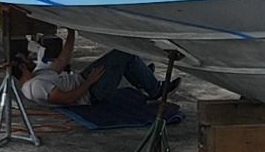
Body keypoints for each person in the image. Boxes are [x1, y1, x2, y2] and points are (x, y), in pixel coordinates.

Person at [16, 27, 177, 107]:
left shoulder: (37, 75)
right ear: (23, 68)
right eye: (28, 60)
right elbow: (67, 99)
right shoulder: (35, 87)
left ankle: (142, 76)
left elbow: (63, 60)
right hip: (92, 93)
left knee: (123, 57)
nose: (32, 60)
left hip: (83, 80)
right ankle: (155, 89)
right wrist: (90, 82)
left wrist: (71, 32)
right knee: (123, 54)